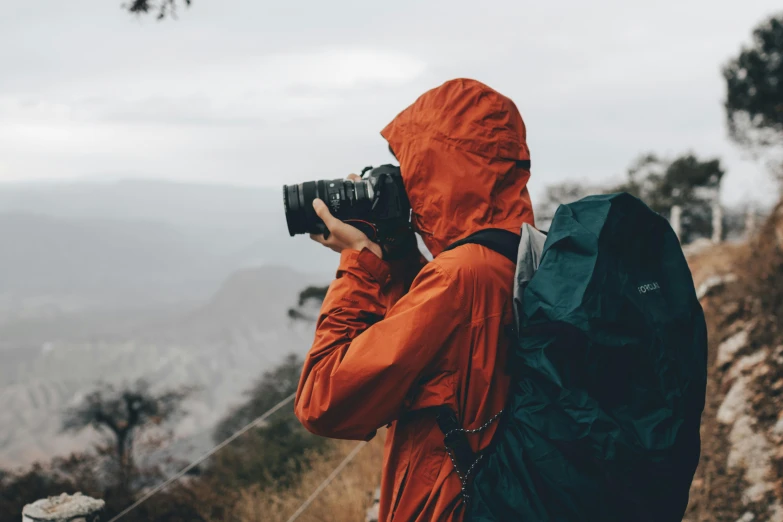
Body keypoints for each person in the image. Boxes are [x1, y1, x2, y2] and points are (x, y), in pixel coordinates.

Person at [294, 78, 534, 522]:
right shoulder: (516, 251)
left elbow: (322, 402)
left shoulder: (458, 278)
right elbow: (450, 356)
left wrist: (360, 262)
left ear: (439, 167)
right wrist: (401, 261)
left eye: (411, 165)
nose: (405, 182)